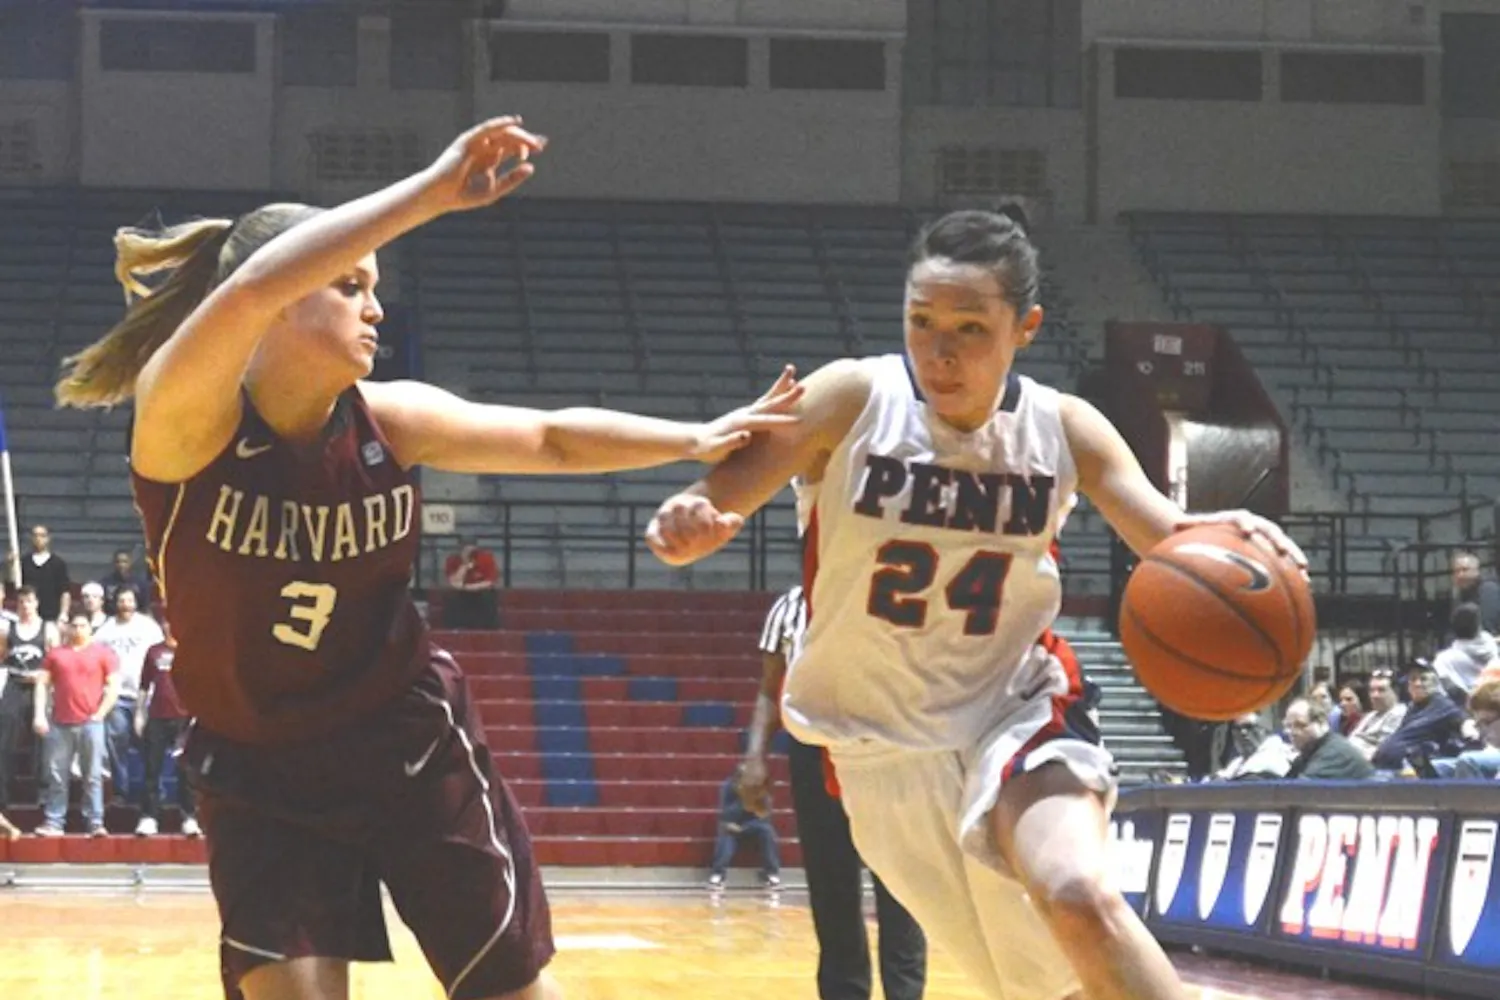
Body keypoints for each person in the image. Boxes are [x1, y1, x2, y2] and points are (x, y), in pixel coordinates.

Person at [55, 116, 800, 1000]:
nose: (376, 306)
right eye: (349, 284)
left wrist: (694, 437)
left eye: (376, 287)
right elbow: (250, 287)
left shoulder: (388, 420)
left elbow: (550, 438)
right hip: (258, 763)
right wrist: (429, 193)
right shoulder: (184, 422)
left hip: (401, 741)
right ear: (287, 299)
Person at [644, 208, 1307, 1000]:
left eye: (969, 327)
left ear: (1024, 326)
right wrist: (686, 524)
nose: (939, 349)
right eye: (922, 322)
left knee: (1080, 898)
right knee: (1041, 985)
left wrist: (1231, 535)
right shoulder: (852, 398)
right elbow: (714, 498)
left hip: (1017, 708)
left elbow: (1171, 536)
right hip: (877, 744)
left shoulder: (1063, 427)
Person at [742, 583, 927, 1000]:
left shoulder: (887, 593)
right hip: (814, 749)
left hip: (887, 744)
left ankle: (906, 994)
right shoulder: (789, 607)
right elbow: (771, 691)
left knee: (902, 887)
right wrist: (754, 757)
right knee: (831, 889)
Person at [706, 763, 782, 890]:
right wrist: (741, 802)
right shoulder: (728, 787)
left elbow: (764, 816)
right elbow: (724, 813)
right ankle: (718, 874)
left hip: (754, 825)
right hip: (732, 824)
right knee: (725, 832)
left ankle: (772, 874)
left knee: (767, 831)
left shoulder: (761, 789)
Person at [1282, 698, 1373, 780]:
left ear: (1321, 723)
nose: (1292, 732)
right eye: (1288, 726)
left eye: (1300, 725)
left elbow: (1298, 792)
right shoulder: (1310, 750)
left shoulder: (1333, 752)